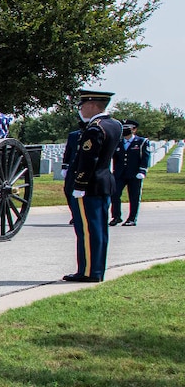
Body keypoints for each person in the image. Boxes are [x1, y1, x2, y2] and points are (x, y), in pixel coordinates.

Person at [62, 92, 123, 282]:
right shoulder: (115, 125)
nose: (80, 110)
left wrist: (79, 184)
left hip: (88, 186)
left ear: (93, 105)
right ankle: (95, 269)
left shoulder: (95, 129)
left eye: (82, 106)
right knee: (99, 230)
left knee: (88, 231)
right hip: (103, 183)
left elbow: (89, 160)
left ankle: (88, 272)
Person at [114, 120, 151, 226]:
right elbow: (115, 158)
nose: (125, 130)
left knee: (134, 197)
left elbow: (145, 157)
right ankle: (116, 216)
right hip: (120, 174)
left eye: (128, 128)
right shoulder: (118, 142)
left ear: (134, 129)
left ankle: (132, 218)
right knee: (115, 194)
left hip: (134, 174)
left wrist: (142, 170)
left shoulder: (141, 142)